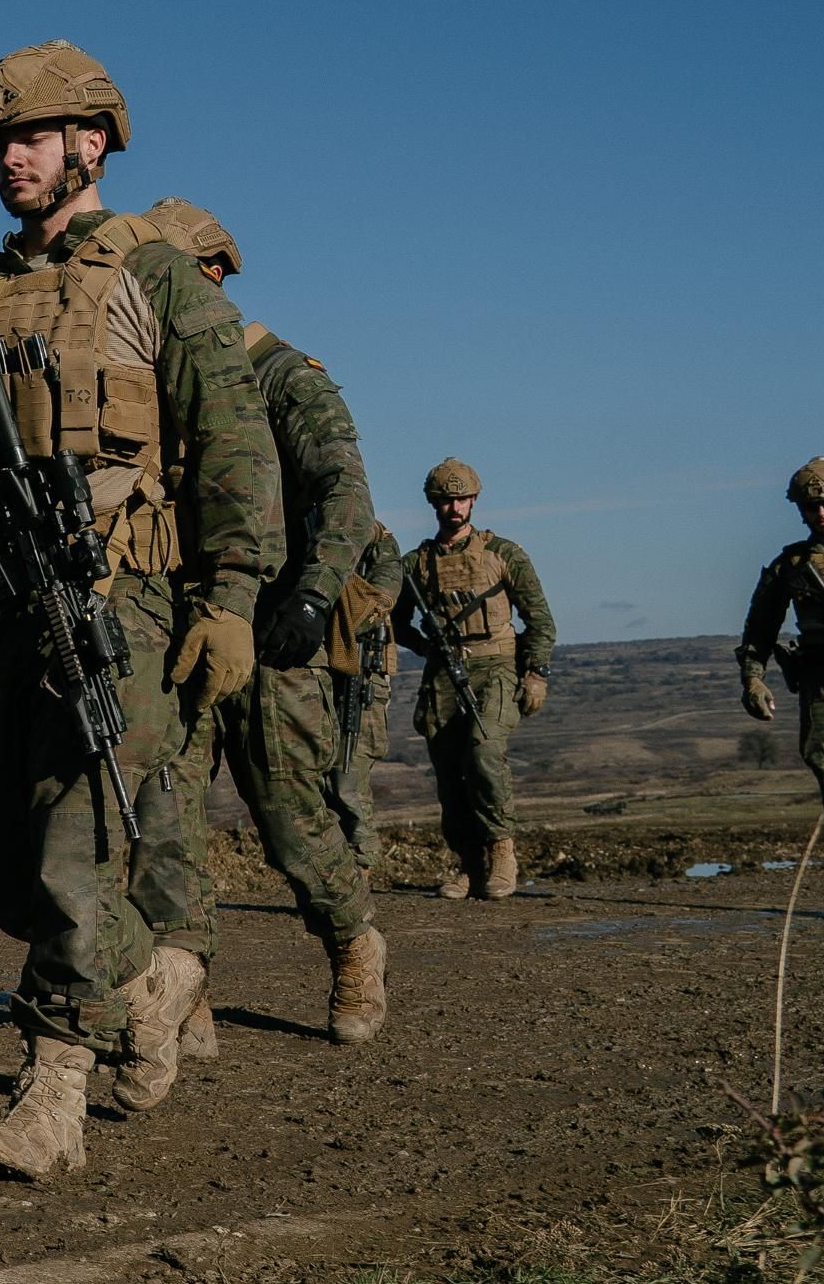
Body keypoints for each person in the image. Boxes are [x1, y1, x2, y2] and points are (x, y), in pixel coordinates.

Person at [0, 41, 277, 1180]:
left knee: (79, 846)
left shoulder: (159, 281)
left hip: (117, 593)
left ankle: (52, 1093)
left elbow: (234, 446)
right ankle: (152, 980)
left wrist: (228, 598)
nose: (9, 158)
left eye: (30, 136)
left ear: (92, 143)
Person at [124, 209, 388, 1047]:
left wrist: (311, 596)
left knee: (289, 814)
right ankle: (185, 983)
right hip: (178, 621)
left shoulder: (284, 379)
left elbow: (347, 495)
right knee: (166, 815)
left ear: (207, 276)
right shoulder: (160, 384)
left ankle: (352, 942)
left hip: (273, 630)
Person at [393, 459, 554, 898]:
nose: (454, 508)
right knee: (449, 771)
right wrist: (425, 647)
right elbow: (393, 619)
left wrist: (536, 672)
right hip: (444, 673)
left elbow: (539, 619)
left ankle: (503, 852)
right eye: (445, 501)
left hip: (497, 666)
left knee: (484, 754)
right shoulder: (416, 564)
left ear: (474, 500)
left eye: (461, 499)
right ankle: (470, 864)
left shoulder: (504, 555)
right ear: (434, 504)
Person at [738, 458, 824, 920]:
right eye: (812, 505)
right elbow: (760, 627)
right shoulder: (792, 566)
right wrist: (753, 678)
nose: (822, 512)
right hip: (823, 681)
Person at [330, 524, 404, 864]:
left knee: (349, 780)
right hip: (317, 674)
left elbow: (375, 603)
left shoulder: (377, 540)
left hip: (361, 676)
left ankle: (362, 863)